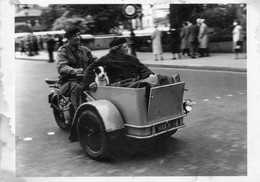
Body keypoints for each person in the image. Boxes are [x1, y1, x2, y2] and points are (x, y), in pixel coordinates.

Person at [83, 37, 180, 91]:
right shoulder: (106, 59)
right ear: (117, 48)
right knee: (144, 83)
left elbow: (142, 68)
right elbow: (90, 69)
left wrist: (149, 74)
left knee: (156, 77)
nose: (128, 48)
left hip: (133, 83)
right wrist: (89, 84)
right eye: (125, 47)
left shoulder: (131, 58)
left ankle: (172, 81)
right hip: (120, 87)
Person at [57, 26, 98, 111]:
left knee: (99, 84)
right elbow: (61, 67)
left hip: (84, 79)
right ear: (68, 38)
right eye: (74, 36)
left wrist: (107, 62)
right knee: (77, 88)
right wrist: (74, 70)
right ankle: (80, 114)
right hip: (68, 81)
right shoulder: (63, 51)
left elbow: (96, 61)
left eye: (78, 35)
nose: (77, 37)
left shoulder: (85, 50)